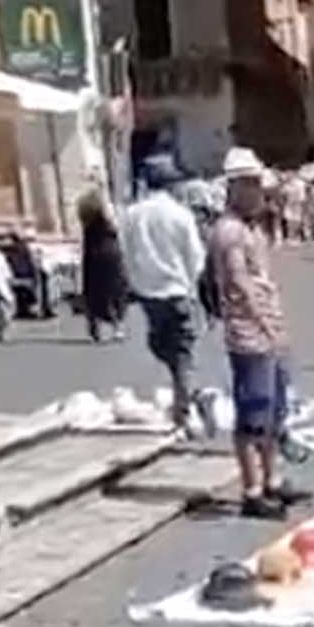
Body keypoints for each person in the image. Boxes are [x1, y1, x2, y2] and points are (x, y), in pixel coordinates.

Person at [209, 147, 312, 519]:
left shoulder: (251, 226)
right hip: (249, 334)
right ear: (235, 187)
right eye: (251, 186)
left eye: (259, 186)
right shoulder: (230, 230)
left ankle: (272, 480)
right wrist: (266, 325)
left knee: (273, 412)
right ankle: (252, 490)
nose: (258, 193)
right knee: (252, 415)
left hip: (269, 331)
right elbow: (239, 283)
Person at [121, 154, 205, 434]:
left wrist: (135, 282)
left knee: (161, 344)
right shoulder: (180, 215)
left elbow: (127, 253)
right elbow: (195, 256)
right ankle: (186, 400)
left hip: (148, 292)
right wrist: (193, 286)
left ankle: (184, 392)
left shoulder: (132, 215)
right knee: (182, 350)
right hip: (177, 289)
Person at [77, 187, 128, 343]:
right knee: (115, 290)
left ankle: (95, 327)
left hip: (91, 253)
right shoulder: (106, 214)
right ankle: (117, 326)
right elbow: (116, 229)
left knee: (93, 290)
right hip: (110, 253)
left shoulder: (85, 213)